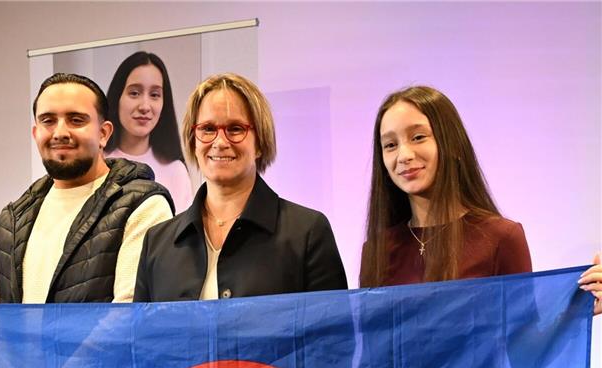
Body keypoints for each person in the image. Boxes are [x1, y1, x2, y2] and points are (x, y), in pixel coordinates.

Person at [134, 73, 347, 302]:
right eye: (207, 129)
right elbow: (144, 337)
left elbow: (332, 336)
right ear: (193, 141)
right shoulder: (156, 243)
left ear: (259, 143)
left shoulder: (308, 233)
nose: (220, 142)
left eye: (235, 129)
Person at [0, 73, 173, 304]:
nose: (60, 132)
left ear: (104, 133)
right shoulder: (11, 221)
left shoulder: (144, 207)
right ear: (36, 133)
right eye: (48, 121)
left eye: (76, 120)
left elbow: (128, 316)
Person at [360, 86, 533, 287]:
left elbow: (525, 318)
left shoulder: (501, 237)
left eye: (418, 137)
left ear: (453, 145)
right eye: (390, 145)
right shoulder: (376, 250)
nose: (404, 155)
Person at [105, 51, 194, 212]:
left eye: (154, 95)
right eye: (134, 93)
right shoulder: (97, 162)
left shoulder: (175, 171)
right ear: (117, 97)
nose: (145, 106)